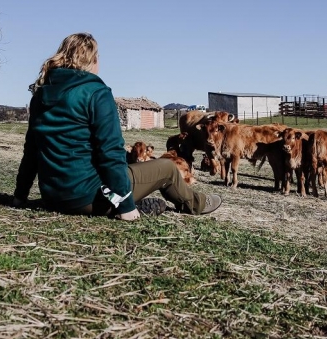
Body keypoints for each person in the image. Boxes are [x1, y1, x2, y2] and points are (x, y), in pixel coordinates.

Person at [13, 33, 222, 221]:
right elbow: (109, 151)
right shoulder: (96, 92)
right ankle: (196, 203)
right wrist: (126, 206)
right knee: (167, 168)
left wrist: (20, 195)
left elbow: (31, 151)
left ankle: (125, 204)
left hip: (52, 198)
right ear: (92, 59)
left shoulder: (41, 95)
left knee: (126, 169)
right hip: (88, 197)